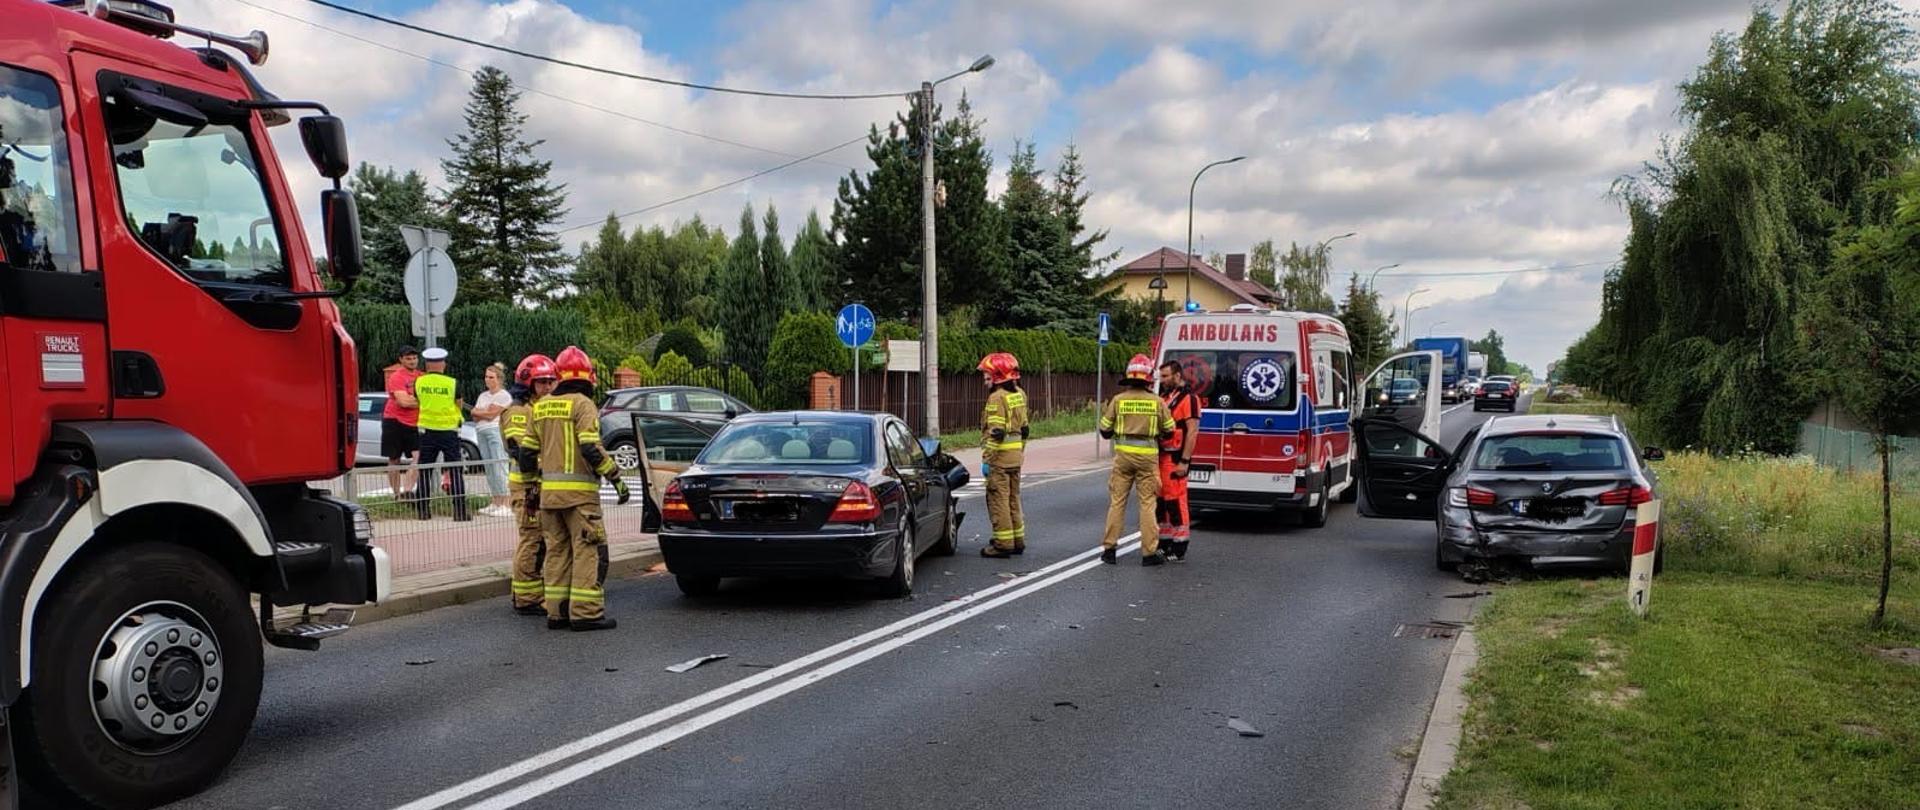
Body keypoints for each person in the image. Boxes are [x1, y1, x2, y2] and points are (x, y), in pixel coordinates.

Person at [518, 346, 629, 631]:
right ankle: (586, 613)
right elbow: (590, 447)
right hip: (580, 498)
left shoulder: (540, 406)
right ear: (588, 377)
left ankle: (556, 613)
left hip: (548, 496)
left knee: (556, 552)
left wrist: (532, 486)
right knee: (586, 550)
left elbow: (526, 454)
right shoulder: (582, 404)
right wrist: (616, 478)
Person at [1100, 354, 1175, 566]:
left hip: (1123, 459)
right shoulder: (1156, 402)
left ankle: (1109, 550)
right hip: (1147, 460)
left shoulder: (1118, 400)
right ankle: (1149, 553)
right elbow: (1170, 430)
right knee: (1147, 505)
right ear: (1149, 378)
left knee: (1117, 503)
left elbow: (1104, 430)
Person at [503, 354, 557, 615]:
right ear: (527, 383)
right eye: (542, 382)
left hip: (539, 485)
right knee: (532, 540)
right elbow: (519, 450)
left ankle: (532, 592)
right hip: (527, 487)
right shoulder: (518, 411)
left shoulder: (539, 408)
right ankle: (526, 598)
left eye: (550, 382)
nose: (548, 387)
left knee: (540, 540)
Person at [976, 352, 1030, 558]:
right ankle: (1017, 540)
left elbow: (996, 433)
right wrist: (1020, 451)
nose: (984, 380)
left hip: (999, 459)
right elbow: (1024, 429)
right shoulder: (1020, 394)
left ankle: (1003, 543)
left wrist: (987, 460)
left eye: (987, 375)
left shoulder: (996, 398)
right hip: (1015, 458)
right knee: (1013, 499)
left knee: (999, 500)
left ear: (998, 376)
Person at [412, 347, 471, 522]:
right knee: (455, 470)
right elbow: (459, 404)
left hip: (427, 432)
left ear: (427, 364)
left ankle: (423, 511)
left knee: (424, 471)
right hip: (449, 432)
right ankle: (459, 512)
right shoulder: (452, 383)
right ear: (442, 364)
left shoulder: (419, 382)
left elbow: (418, 401)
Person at [1157, 360, 1203, 562]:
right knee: (1161, 501)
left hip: (1176, 458)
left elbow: (1192, 432)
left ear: (1177, 375)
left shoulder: (1189, 399)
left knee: (1176, 500)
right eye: (1161, 376)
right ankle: (1164, 541)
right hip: (1160, 456)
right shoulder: (1164, 397)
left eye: (1166, 376)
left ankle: (1179, 545)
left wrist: (1185, 460)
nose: (1163, 380)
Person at [472, 363, 515, 517]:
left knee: (499, 465)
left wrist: (482, 412)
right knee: (489, 468)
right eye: (486, 377)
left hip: (495, 431)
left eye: (491, 377)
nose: (487, 380)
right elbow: (474, 414)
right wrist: (485, 411)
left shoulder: (504, 395)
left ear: (499, 379)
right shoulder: (483, 396)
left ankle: (506, 502)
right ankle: (496, 500)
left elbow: (492, 415)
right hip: (481, 431)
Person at [382, 346, 422, 501]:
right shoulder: (397, 377)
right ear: (401, 360)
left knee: (419, 456)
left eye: (414, 358)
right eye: (408, 358)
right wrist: (422, 401)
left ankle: (407, 492)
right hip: (394, 420)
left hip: (414, 423)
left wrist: (416, 401)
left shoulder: (421, 376)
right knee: (394, 458)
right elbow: (403, 401)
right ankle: (396, 494)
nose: (412, 361)